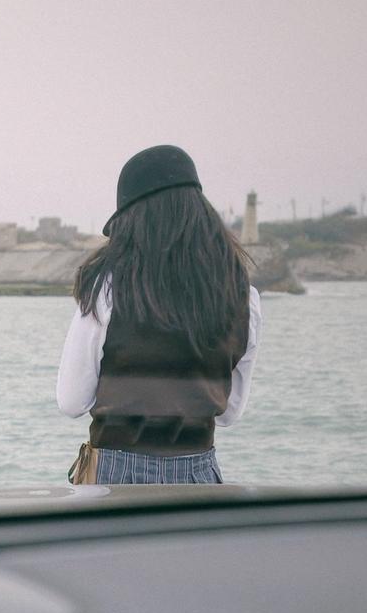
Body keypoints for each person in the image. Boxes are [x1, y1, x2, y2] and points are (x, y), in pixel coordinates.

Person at [57, 145, 261, 484]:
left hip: (115, 477)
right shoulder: (243, 297)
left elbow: (71, 401)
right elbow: (229, 413)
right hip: (198, 478)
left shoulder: (107, 287)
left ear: (130, 222)